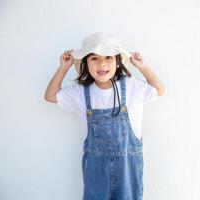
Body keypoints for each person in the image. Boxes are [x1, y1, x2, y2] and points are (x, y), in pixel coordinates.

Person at [44, 32, 166, 200]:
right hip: (96, 177)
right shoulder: (80, 93)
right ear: (86, 63)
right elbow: (50, 96)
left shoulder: (132, 87)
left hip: (128, 175)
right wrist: (64, 67)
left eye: (108, 57)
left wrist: (142, 67)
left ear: (117, 62)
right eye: (94, 58)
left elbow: (160, 90)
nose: (102, 64)